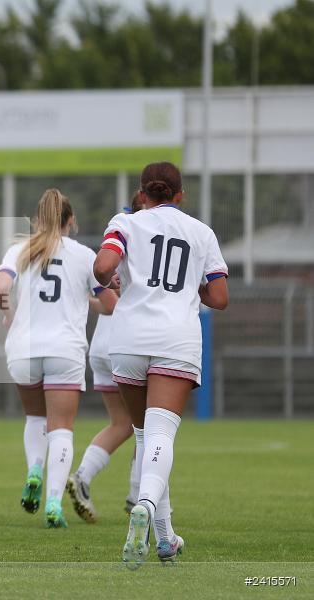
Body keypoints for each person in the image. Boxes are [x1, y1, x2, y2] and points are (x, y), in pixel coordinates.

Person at [94, 161, 229, 568]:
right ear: (179, 194)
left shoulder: (126, 222)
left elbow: (102, 268)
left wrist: (117, 279)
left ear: (142, 194)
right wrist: (191, 288)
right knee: (161, 437)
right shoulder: (200, 231)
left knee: (143, 436)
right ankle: (146, 505)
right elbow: (220, 296)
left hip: (130, 337)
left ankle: (166, 538)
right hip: (176, 338)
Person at [0, 189, 117, 529]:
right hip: (65, 349)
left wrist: (8, 316)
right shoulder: (83, 256)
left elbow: (0, 287)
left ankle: (34, 469)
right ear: (71, 221)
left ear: (37, 220)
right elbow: (110, 305)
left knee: (35, 419)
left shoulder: (20, 249)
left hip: (23, 348)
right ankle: (53, 504)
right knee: (61, 429)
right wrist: (85, 299)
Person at [67, 193, 144, 523]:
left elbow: (102, 296)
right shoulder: (153, 235)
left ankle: (82, 476)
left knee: (121, 423)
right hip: (134, 344)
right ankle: (137, 496)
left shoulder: (119, 234)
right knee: (147, 425)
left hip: (102, 344)